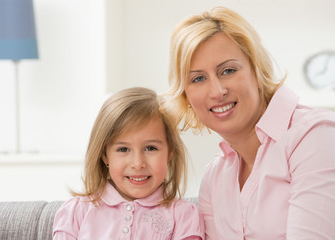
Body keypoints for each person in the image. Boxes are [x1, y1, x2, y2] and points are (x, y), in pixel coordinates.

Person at [162, 6, 335, 240]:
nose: (217, 91)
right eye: (198, 78)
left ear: (256, 69)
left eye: (228, 70)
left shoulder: (314, 137)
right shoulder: (214, 177)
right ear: (186, 96)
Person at [52, 87, 205, 240]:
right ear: (104, 154)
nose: (138, 164)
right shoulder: (76, 212)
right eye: (123, 149)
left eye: (150, 148)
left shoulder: (184, 216)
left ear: (170, 151)